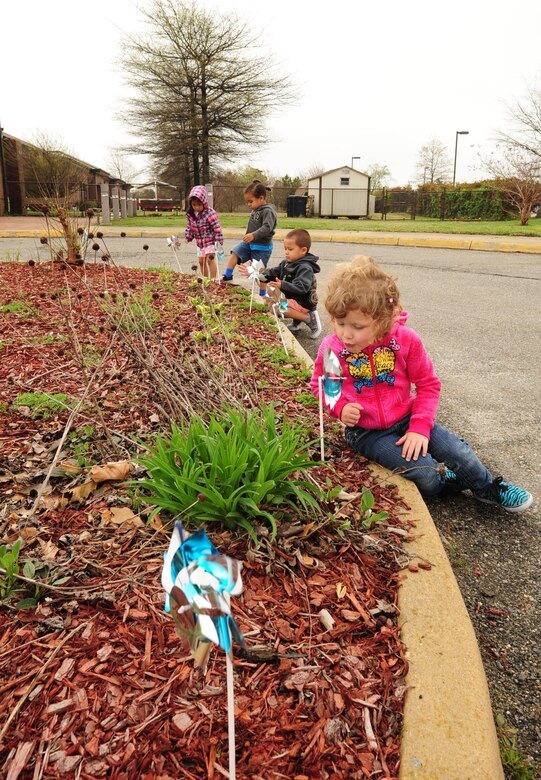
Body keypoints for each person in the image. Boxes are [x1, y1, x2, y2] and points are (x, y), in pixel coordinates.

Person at [311, 255, 533, 513]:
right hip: (367, 432)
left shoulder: (405, 340)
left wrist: (419, 427)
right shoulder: (333, 348)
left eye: (357, 326)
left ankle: (486, 487)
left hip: (408, 417)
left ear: (383, 320)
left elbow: (428, 385)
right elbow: (324, 386)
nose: (346, 334)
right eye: (339, 323)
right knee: (425, 473)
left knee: (457, 452)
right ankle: (445, 482)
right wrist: (339, 408)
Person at [241, 228, 322, 339]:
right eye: (285, 249)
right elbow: (272, 273)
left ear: (303, 250)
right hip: (293, 299)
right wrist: (254, 271)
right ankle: (297, 320)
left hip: (303, 303)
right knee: (270, 296)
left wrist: (282, 285)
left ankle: (309, 318)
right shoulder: (286, 263)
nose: (286, 252)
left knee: (276, 307)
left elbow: (301, 288)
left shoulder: (305, 268)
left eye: (290, 249)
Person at [221, 180, 277, 282]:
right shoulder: (256, 209)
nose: (248, 204)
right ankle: (227, 276)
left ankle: (263, 293)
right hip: (249, 243)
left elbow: (267, 227)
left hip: (262, 247)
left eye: (251, 201)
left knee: (259, 272)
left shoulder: (268, 211)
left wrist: (253, 235)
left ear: (261, 198)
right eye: (247, 201)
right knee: (235, 252)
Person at [185, 185, 224, 279]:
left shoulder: (210, 213)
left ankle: (213, 279)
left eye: (199, 205)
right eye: (194, 205)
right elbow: (190, 226)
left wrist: (218, 240)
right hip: (200, 244)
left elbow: (217, 227)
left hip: (210, 242)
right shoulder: (191, 214)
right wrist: (188, 236)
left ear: (204, 203)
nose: (196, 207)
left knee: (210, 260)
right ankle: (205, 279)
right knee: (201, 262)